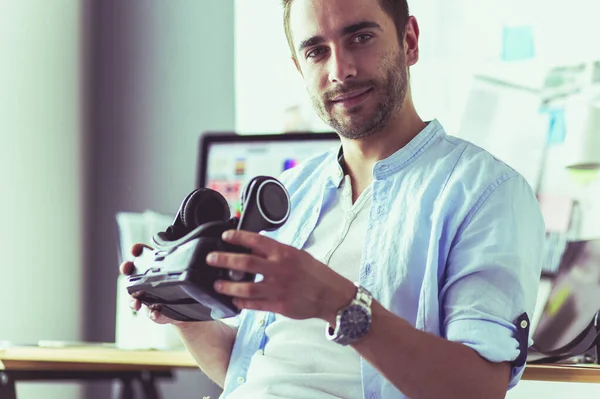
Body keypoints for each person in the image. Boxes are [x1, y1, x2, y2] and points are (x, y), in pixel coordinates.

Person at [120, 0, 545, 397]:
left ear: (409, 41)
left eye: (360, 38)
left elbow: (478, 387)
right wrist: (182, 311)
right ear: (298, 68)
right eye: (316, 52)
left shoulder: (486, 192)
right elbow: (251, 371)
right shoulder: (291, 192)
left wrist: (337, 303)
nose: (340, 70)